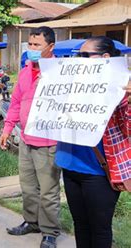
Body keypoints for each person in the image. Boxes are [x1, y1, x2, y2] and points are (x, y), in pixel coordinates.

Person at [55, 36, 129, 248]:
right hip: (69, 164)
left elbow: (128, 129)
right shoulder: (70, 83)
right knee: (81, 225)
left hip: (98, 170)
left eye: (85, 56)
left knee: (99, 228)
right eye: (78, 56)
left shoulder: (121, 88)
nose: (79, 60)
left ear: (105, 58)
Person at [0, 26, 60, 248]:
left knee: (48, 191)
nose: (32, 49)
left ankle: (50, 231)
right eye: (30, 45)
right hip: (25, 139)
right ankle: (31, 222)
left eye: (37, 45)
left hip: (49, 142)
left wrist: (51, 81)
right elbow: (15, 103)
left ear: (50, 47)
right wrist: (7, 130)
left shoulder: (60, 73)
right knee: (28, 187)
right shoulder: (25, 71)